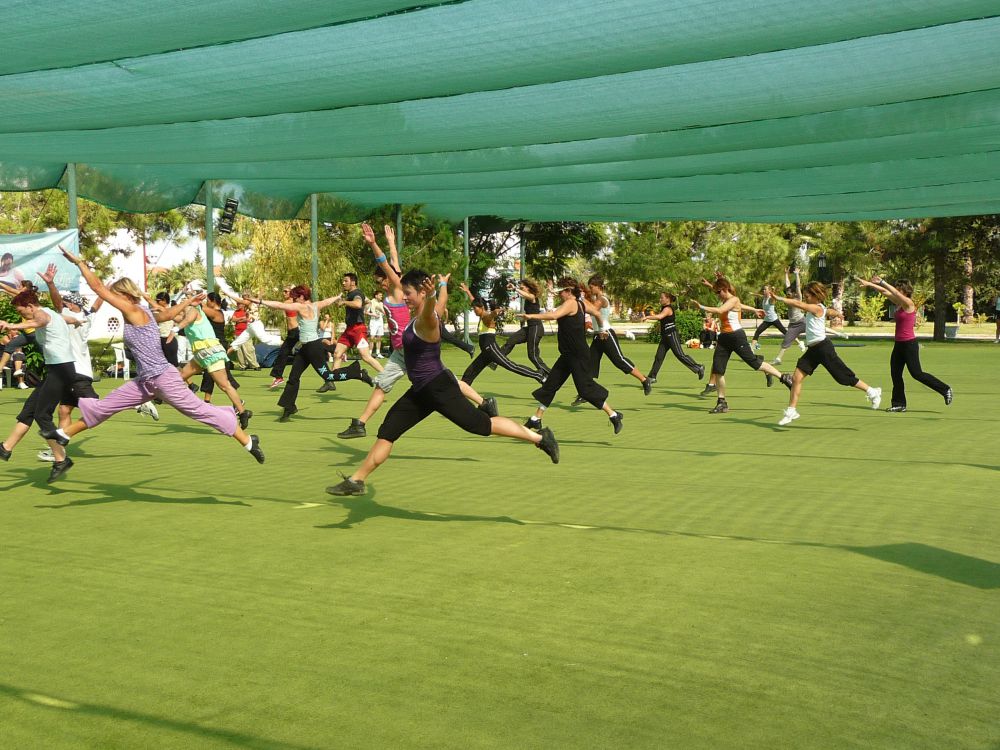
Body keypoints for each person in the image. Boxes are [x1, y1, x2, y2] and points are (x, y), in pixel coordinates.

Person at [325, 270, 558, 496]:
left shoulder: (426, 320)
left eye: (408, 293)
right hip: (421, 391)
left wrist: (432, 295)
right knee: (388, 431)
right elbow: (438, 302)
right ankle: (357, 481)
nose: (404, 297)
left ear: (422, 293)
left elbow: (430, 310)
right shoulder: (425, 313)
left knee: (481, 425)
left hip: (438, 387)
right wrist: (443, 286)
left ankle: (540, 438)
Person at [50, 245, 265, 463]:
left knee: (199, 411)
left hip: (163, 377)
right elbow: (169, 314)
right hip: (145, 381)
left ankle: (248, 441)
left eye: (115, 296)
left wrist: (79, 263)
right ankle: (64, 434)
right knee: (106, 406)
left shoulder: (134, 310)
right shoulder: (143, 311)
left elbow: (97, 287)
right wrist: (187, 302)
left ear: (125, 295)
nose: (113, 300)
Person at [336, 224, 496, 440]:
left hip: (408, 349)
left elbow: (386, 264)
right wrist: (391, 243)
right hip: (403, 348)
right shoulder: (399, 290)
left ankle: (360, 424)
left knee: (384, 386)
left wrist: (374, 244)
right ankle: (484, 403)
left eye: (380, 280)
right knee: (445, 380)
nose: (380, 284)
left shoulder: (397, 290)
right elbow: (394, 263)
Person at [249, 285, 373, 422]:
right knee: (293, 377)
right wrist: (337, 297)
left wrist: (259, 301)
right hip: (305, 348)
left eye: (295, 297)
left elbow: (278, 305)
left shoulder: (301, 307)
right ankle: (289, 407)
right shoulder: (316, 305)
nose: (293, 300)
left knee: (328, 375)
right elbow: (327, 301)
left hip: (313, 348)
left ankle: (358, 373)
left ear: (302, 297)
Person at [767, 282, 882, 425]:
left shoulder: (816, 308)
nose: (806, 298)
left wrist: (778, 298)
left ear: (816, 296)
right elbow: (829, 312)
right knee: (796, 378)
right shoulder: (820, 308)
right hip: (813, 351)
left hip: (824, 348)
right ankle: (791, 411)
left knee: (843, 377)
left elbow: (799, 304)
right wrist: (837, 313)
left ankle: (872, 391)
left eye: (808, 296)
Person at [522, 278, 623, 434]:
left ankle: (614, 415)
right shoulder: (579, 303)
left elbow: (554, 316)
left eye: (561, 292)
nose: (559, 294)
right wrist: (601, 329)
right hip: (567, 355)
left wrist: (531, 316)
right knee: (551, 384)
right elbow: (596, 313)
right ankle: (536, 418)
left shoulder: (571, 303)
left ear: (568, 291)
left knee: (585, 389)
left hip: (578, 355)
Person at [0, 288, 78, 482]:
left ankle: (61, 459)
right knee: (29, 410)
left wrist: (11, 324)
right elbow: (64, 319)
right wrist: (76, 320)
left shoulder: (42, 314)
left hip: (61, 370)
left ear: (30, 306)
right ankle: (5, 448)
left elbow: (38, 321)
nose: (22, 316)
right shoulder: (53, 314)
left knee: (42, 414)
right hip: (57, 370)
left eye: (21, 311)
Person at [691, 277, 787, 414]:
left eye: (718, 292)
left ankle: (783, 377)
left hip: (736, 336)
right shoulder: (726, 299)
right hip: (724, 338)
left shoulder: (733, 299)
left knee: (754, 363)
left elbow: (720, 310)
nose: (717, 295)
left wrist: (701, 307)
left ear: (725, 289)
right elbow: (740, 305)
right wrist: (754, 309)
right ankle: (722, 403)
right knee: (718, 369)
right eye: (716, 292)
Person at [857, 275, 951, 411]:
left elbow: (893, 292)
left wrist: (882, 282)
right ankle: (899, 404)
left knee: (917, 374)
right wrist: (869, 284)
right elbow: (885, 292)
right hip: (899, 345)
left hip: (909, 344)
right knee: (895, 374)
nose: (896, 290)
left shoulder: (909, 304)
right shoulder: (900, 303)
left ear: (905, 290)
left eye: (899, 288)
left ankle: (945, 389)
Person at [176, 295, 252, 430]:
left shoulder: (197, 311)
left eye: (184, 302)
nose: (181, 304)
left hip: (211, 352)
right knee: (179, 377)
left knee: (225, 385)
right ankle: (156, 395)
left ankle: (242, 412)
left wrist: (174, 329)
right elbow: (172, 316)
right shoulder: (188, 313)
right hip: (201, 354)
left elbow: (187, 319)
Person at [459, 283, 546, 386]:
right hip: (485, 352)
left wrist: (495, 312)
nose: (474, 310)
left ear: (481, 307)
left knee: (512, 366)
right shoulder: (482, 314)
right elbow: (475, 302)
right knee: (470, 372)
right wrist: (467, 291)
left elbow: (490, 315)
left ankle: (538, 375)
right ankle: (462, 389)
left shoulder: (486, 317)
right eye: (473, 308)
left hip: (491, 349)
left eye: (475, 308)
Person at [582, 275, 651, 396]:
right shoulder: (595, 299)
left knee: (619, 361)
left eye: (592, 287)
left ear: (598, 287)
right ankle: (586, 391)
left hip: (606, 334)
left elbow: (592, 309)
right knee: (590, 363)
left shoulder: (602, 299)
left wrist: (579, 299)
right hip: (598, 336)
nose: (590, 289)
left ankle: (644, 380)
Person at [642, 292, 704, 383]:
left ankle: (698, 367)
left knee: (680, 355)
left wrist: (647, 317)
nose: (660, 299)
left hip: (672, 335)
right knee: (659, 356)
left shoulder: (667, 308)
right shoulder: (664, 308)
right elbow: (664, 321)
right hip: (665, 337)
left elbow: (660, 317)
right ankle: (652, 377)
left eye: (662, 298)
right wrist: (659, 328)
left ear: (668, 299)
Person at [330, 272, 384, 376]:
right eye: (343, 281)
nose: (343, 283)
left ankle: (386, 375)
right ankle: (331, 380)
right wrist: (365, 309)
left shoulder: (356, 293)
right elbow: (367, 301)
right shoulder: (354, 293)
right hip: (349, 329)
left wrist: (344, 302)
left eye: (346, 281)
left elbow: (358, 304)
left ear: (353, 282)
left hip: (358, 329)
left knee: (365, 356)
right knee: (337, 353)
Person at [498, 278, 550, 377]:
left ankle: (550, 374)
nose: (521, 289)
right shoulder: (526, 297)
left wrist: (515, 288)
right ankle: (497, 359)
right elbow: (521, 295)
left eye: (523, 287)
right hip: (530, 327)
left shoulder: (532, 297)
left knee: (532, 355)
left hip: (536, 327)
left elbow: (527, 295)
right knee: (511, 340)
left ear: (528, 288)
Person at [772, 267, 808, 365]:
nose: (787, 293)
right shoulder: (788, 299)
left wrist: (797, 274)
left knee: (817, 330)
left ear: (793, 293)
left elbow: (798, 286)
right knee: (786, 341)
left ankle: (838, 334)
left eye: (789, 292)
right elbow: (787, 284)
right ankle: (778, 359)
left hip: (802, 322)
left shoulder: (798, 298)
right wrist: (786, 274)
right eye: (787, 292)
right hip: (793, 325)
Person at [268, 285, 300, 389]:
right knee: (310, 353)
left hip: (296, 331)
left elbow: (276, 306)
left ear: (291, 292)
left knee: (283, 352)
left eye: (286, 291)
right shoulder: (291, 302)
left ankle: (278, 376)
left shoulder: (291, 303)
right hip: (292, 332)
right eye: (283, 291)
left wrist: (260, 301)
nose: (284, 293)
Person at [751, 286, 787, 351]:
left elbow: (773, 298)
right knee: (757, 332)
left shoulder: (770, 299)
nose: (763, 290)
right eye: (763, 289)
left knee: (785, 332)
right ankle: (752, 348)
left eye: (765, 289)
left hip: (774, 319)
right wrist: (752, 294)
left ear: (769, 291)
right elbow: (759, 295)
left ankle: (799, 343)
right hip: (767, 320)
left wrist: (773, 291)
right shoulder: (764, 297)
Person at [366, 291, 386, 358]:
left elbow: (384, 313)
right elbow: (366, 312)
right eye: (380, 295)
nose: (381, 297)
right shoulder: (371, 302)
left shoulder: (381, 303)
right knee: (372, 337)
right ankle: (369, 353)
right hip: (373, 321)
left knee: (379, 337)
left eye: (381, 295)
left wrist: (382, 312)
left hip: (380, 321)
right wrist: (373, 314)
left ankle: (378, 353)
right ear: (376, 296)